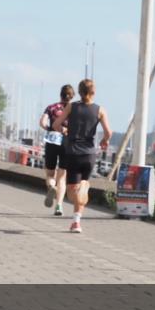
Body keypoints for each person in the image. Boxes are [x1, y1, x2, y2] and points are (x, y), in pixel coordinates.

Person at [52, 79, 111, 234]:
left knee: (72, 191)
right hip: (90, 154)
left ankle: (81, 191)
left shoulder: (72, 106)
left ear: (79, 92)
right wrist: (104, 141)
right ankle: (76, 222)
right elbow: (108, 132)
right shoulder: (100, 110)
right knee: (82, 188)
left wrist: (64, 131)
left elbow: (56, 124)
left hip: (73, 153)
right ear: (94, 92)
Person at [39, 84, 74, 217]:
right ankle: (59, 206)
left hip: (52, 141)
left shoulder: (51, 107)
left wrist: (49, 129)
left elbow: (42, 122)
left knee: (50, 173)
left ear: (60, 94)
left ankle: (51, 186)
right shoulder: (73, 109)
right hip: (66, 142)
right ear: (72, 96)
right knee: (62, 177)